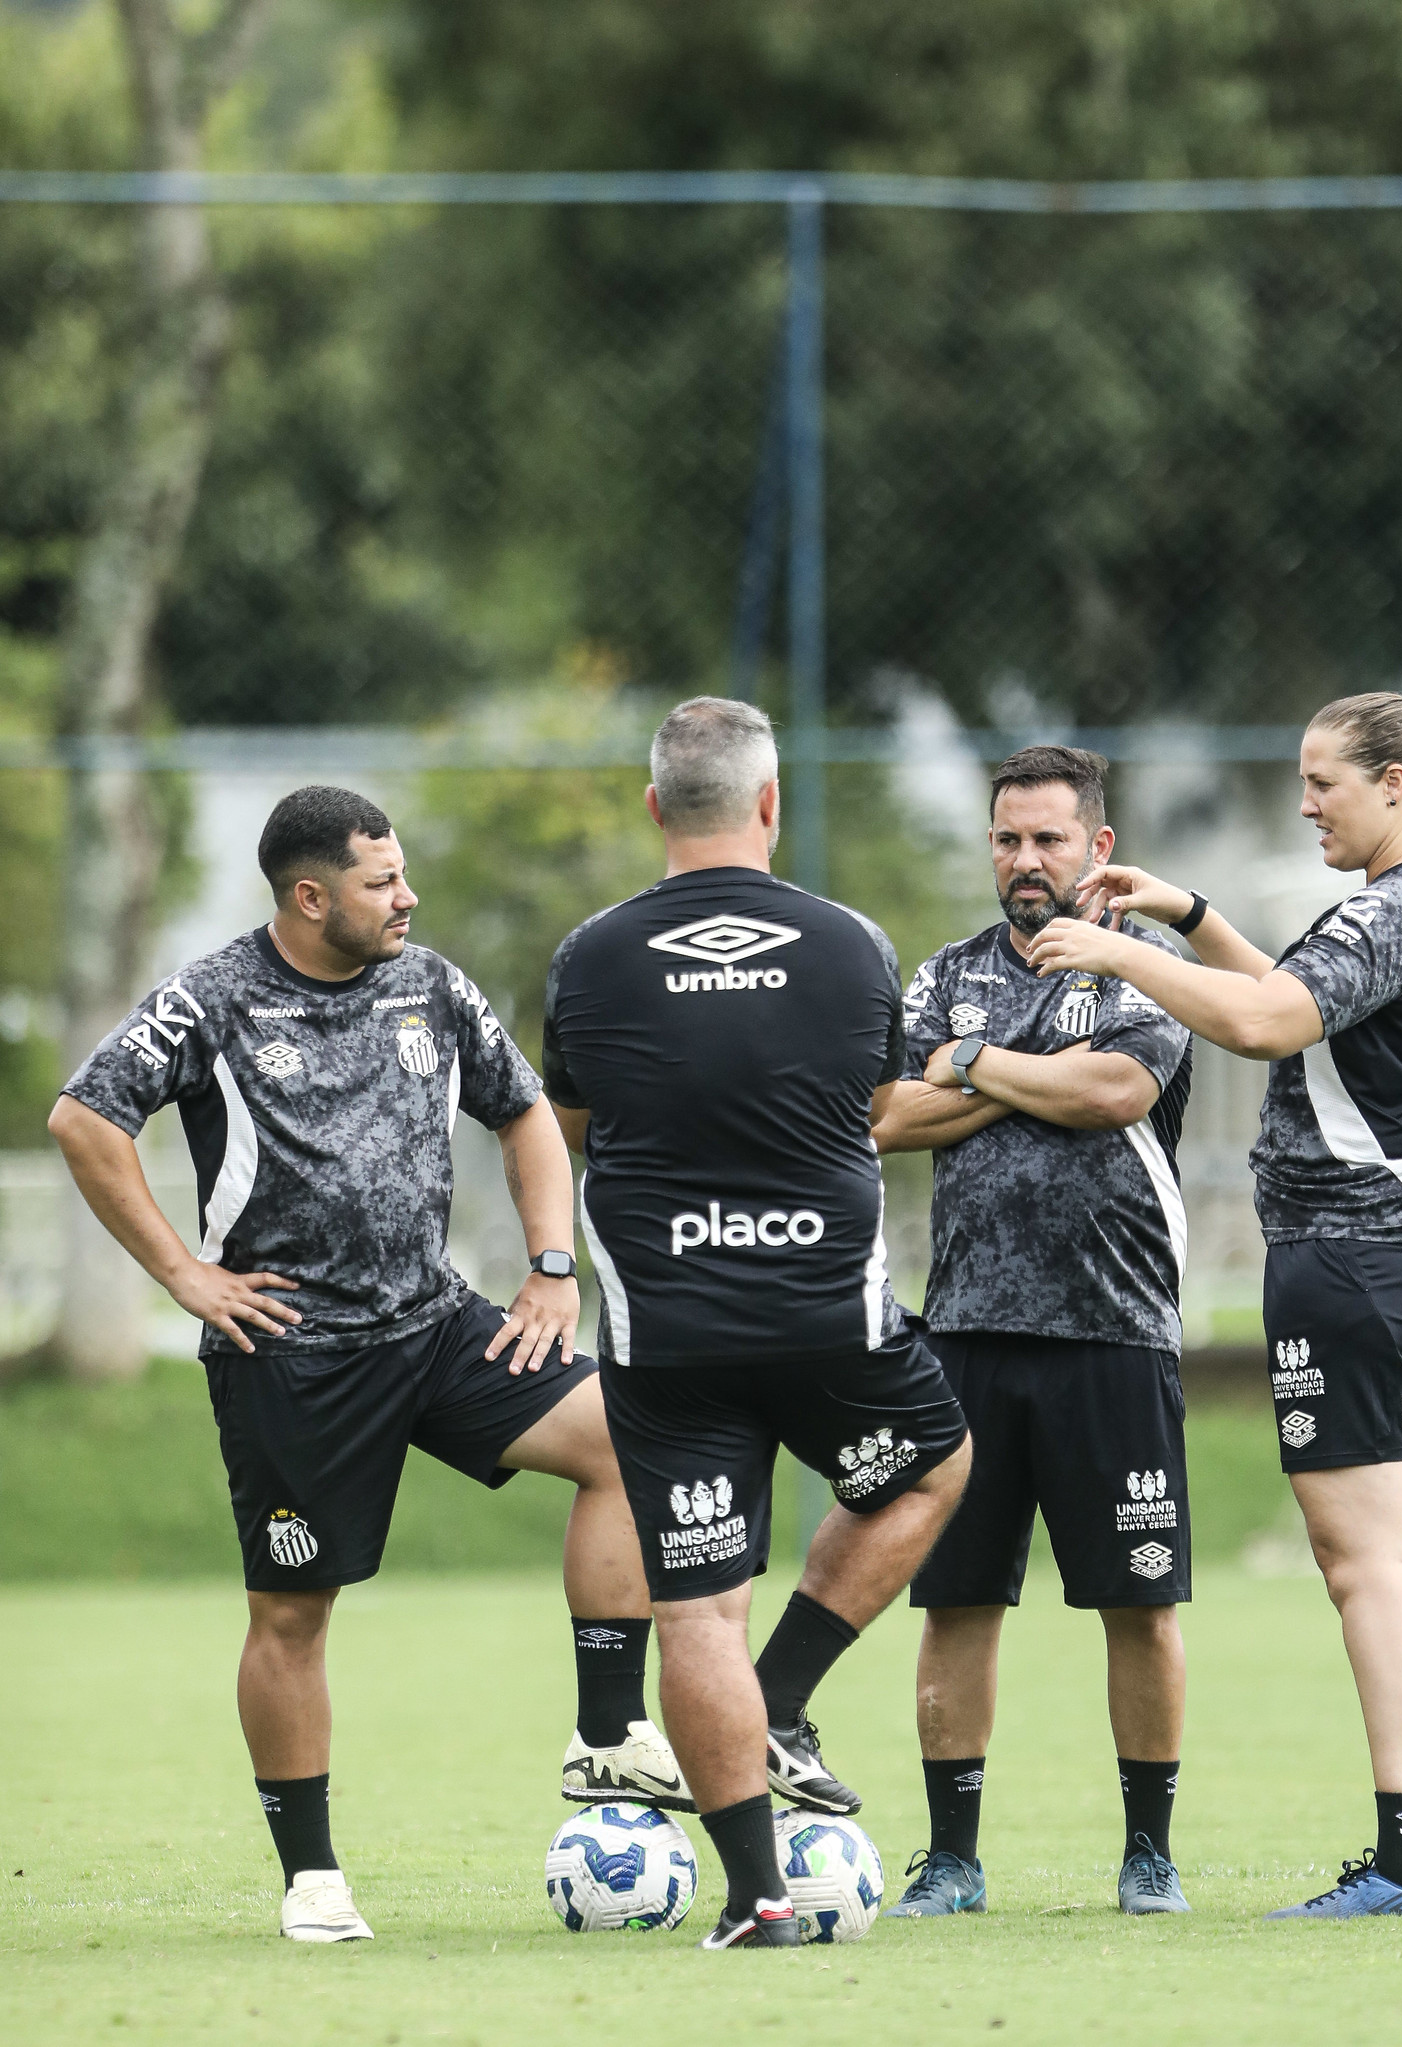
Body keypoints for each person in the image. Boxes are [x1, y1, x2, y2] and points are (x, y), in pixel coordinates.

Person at [48, 786, 687, 1946]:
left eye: (403, 874)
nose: (408, 897)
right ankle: (313, 1878)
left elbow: (527, 1114)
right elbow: (85, 1120)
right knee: (292, 1615)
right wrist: (184, 1273)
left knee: (630, 1439)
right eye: (382, 881)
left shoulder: (432, 985)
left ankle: (606, 1735)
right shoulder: (212, 999)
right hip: (291, 1355)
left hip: (436, 1326)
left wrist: (553, 1266)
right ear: (310, 896)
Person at [1028, 692, 1402, 1920]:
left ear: (1398, 785)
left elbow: (1264, 1022)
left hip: (1363, 1259)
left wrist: (1119, 952)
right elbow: (1304, 1012)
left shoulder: (1395, 903)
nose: (1305, 804)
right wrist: (1187, 916)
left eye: (1323, 783)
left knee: (1368, 1569)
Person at [541, 695, 972, 1951]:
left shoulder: (591, 956)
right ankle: (779, 1696)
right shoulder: (851, 945)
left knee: (696, 1614)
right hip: (827, 1319)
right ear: (771, 804)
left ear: (654, 806)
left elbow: (577, 1121)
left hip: (670, 1337)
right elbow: (875, 1104)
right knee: (933, 1465)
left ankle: (755, 1900)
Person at [871, 745, 1195, 1920]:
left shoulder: (1146, 965)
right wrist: (1027, 1074)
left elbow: (1117, 1093)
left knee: (1138, 1603)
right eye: (1007, 838)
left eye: (1048, 838)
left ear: (1097, 848)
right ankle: (952, 1859)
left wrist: (970, 1065)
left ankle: (1149, 1853)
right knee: (958, 1600)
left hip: (1116, 1329)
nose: (1025, 859)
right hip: (964, 1330)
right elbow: (884, 1113)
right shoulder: (945, 971)